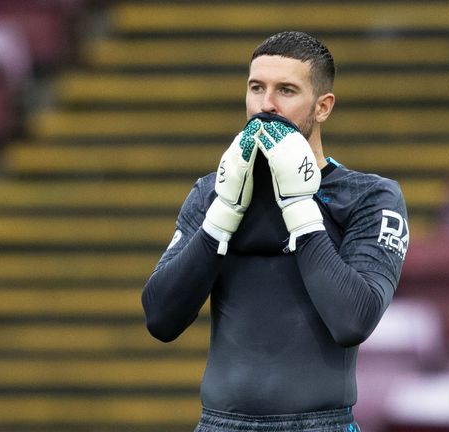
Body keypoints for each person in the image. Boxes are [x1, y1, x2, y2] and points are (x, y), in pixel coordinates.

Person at [142, 31, 409, 432]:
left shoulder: (371, 196)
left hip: (321, 425)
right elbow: (161, 318)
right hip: (220, 425)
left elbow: (353, 320)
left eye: (286, 90)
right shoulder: (212, 191)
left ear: (323, 107)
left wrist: (299, 206)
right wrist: (223, 215)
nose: (266, 105)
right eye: (256, 88)